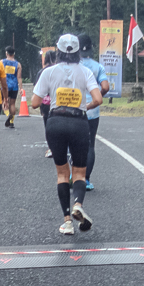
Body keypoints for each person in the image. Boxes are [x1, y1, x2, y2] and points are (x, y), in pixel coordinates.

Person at [34, 33, 103, 235]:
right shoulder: (85, 71)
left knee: (62, 173)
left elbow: (35, 103)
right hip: (79, 122)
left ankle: (67, 222)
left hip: (55, 122)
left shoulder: (49, 72)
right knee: (79, 172)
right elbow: (98, 98)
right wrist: (84, 106)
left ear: (58, 51)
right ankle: (78, 204)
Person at [77, 34, 109, 191]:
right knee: (90, 145)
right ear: (90, 48)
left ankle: (73, 176)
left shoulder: (73, 66)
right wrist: (97, 98)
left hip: (74, 110)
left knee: (74, 144)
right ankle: (87, 179)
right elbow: (105, 87)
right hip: (92, 111)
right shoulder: (98, 67)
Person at [37, 49, 56, 157]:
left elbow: (37, 88)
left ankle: (51, 148)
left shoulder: (42, 72)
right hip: (57, 101)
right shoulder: (59, 70)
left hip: (45, 102)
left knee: (47, 125)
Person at [1, 47, 23, 128]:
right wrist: (21, 88)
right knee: (12, 104)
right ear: (14, 54)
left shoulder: (2, 62)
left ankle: (8, 115)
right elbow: (19, 77)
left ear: (6, 53)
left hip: (5, 86)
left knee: (4, 102)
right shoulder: (18, 64)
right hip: (14, 86)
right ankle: (12, 121)